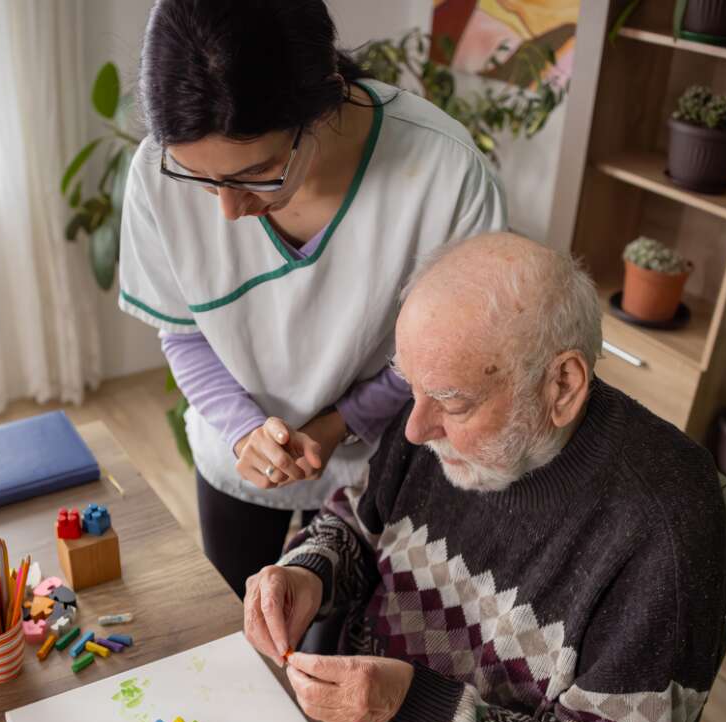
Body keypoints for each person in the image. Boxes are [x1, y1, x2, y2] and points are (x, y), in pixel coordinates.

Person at [243, 233, 726, 722]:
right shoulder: (434, 407)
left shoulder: (663, 530)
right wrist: (310, 572)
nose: (416, 429)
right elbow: (356, 523)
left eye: (453, 402)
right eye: (410, 387)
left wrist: (409, 710)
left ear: (562, 387)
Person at [118, 0, 506, 600]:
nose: (228, 210)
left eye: (259, 172)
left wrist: (339, 425)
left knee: (343, 643)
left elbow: (442, 354)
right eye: (202, 180)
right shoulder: (156, 173)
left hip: (379, 465)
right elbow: (185, 331)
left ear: (323, 102)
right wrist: (245, 431)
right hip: (237, 453)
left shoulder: (443, 173)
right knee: (242, 623)